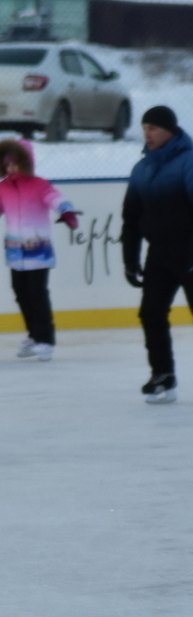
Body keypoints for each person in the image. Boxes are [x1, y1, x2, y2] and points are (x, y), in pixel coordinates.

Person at [122, 105, 193, 404]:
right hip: (159, 254)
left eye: (153, 128)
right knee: (150, 313)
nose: (147, 134)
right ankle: (163, 375)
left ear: (170, 130)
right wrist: (130, 258)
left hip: (189, 250)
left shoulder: (189, 162)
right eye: (144, 128)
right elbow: (131, 217)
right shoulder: (142, 169)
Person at [0, 138, 79, 362]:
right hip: (15, 252)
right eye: (7, 164)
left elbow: (56, 198)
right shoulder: (3, 188)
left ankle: (45, 340)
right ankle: (33, 335)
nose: (11, 168)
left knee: (37, 294)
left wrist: (66, 211)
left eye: (15, 163)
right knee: (20, 293)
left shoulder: (40, 185)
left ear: (26, 162)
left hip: (37, 251)